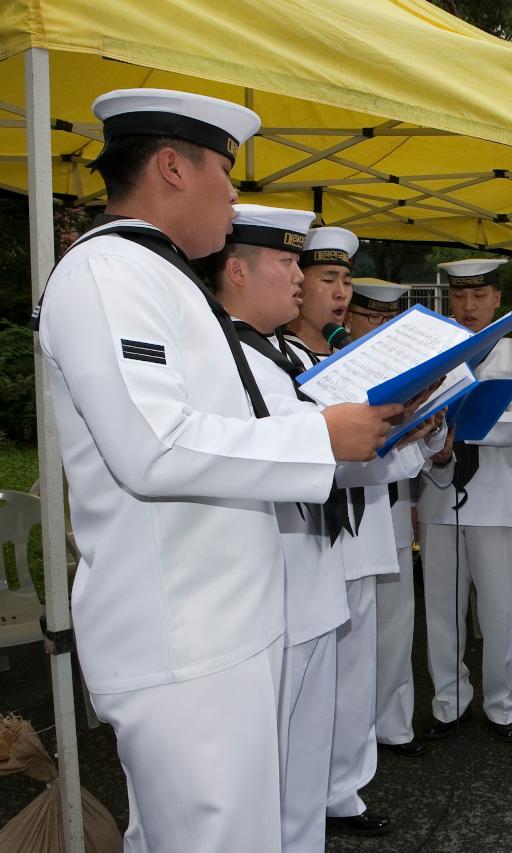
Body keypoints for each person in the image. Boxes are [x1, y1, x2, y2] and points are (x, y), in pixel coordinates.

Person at [36, 89, 398, 853]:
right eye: (227, 175)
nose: (236, 198)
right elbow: (153, 447)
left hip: (226, 627)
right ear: (172, 166)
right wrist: (322, 439)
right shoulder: (107, 273)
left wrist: (344, 428)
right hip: (183, 641)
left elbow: (226, 432)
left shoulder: (163, 278)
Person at [209, 207, 435, 851]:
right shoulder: (238, 356)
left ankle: (334, 796)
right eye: (295, 266)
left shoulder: (278, 353)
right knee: (280, 735)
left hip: (325, 546)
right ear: (237, 269)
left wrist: (405, 434)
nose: (313, 287)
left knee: (325, 705)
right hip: (278, 563)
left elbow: (338, 462)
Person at [285, 228, 401, 837]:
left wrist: (425, 432)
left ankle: (344, 791)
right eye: (328, 280)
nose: (339, 293)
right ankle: (301, 798)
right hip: (312, 537)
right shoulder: (277, 359)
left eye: (345, 281)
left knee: (356, 673)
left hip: (362, 530)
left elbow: (382, 460)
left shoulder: (356, 360)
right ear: (295, 282)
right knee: (310, 680)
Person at [420, 258, 512, 745]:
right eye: (460, 297)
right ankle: (448, 702)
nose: (469, 306)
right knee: (442, 611)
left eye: (479, 296)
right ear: (450, 300)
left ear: (496, 299)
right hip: (438, 494)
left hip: (492, 499)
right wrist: (438, 438)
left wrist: (465, 425)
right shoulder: (432, 354)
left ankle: (501, 702)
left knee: (499, 610)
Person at [336, 279, 428, 762]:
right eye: (373, 319)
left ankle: (393, 723)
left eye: (391, 321)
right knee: (350, 630)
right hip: (347, 514)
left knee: (396, 622)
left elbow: (415, 455)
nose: (382, 329)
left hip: (389, 509)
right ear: (350, 319)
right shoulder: (339, 373)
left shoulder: (407, 375)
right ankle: (352, 736)